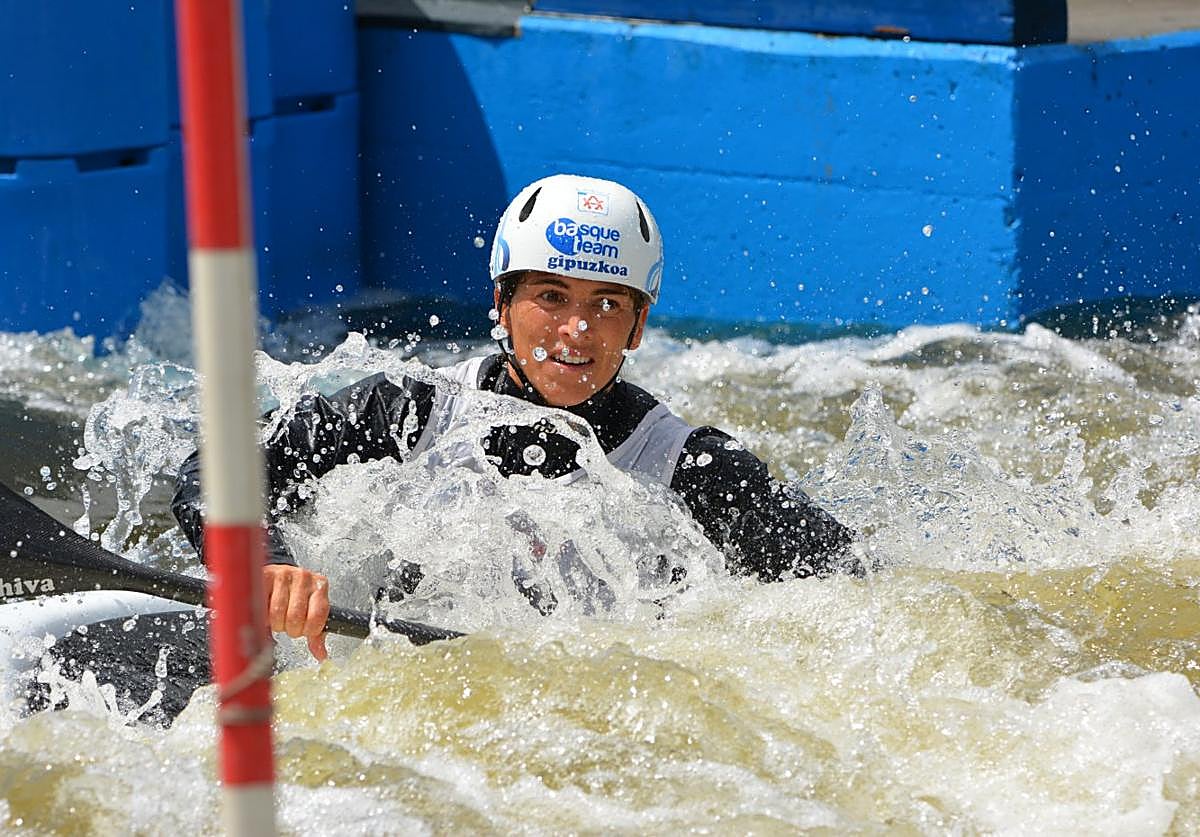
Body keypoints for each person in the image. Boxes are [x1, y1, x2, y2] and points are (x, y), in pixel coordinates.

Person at [172, 174, 857, 660]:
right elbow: (219, 467)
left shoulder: (691, 468)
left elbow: (856, 590)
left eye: (609, 305)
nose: (576, 330)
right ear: (502, 303)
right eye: (551, 296)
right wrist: (262, 562)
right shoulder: (413, 408)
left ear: (640, 325)